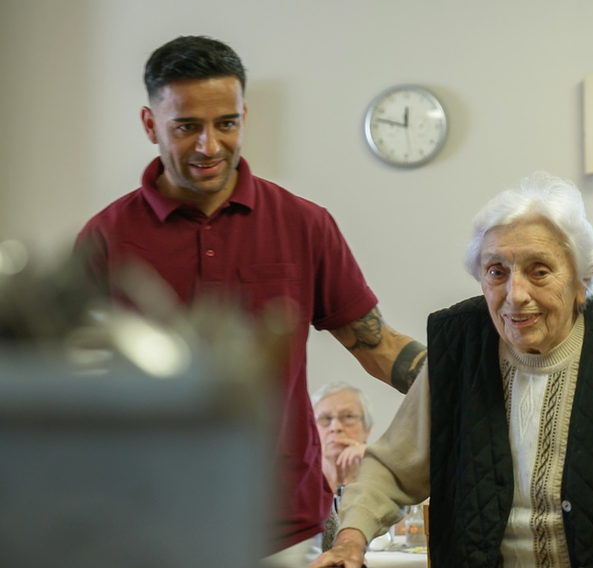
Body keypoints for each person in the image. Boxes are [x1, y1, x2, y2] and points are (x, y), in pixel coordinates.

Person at [73, 35, 427, 567]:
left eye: (226, 123)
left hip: (280, 527)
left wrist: (469, 377)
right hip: (145, 525)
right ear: (150, 125)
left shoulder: (304, 225)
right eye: (186, 126)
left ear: (244, 114)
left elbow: (375, 344)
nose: (209, 146)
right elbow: (67, 384)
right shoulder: (106, 239)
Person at [311, 172, 593, 568]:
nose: (515, 295)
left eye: (539, 270)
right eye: (496, 271)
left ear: (581, 280)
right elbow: (390, 469)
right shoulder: (460, 349)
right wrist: (352, 536)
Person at [311, 382, 375, 551]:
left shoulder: (386, 482)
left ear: (367, 429)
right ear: (311, 430)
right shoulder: (301, 488)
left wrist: (374, 461)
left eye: (348, 417)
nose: (336, 427)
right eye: (325, 419)